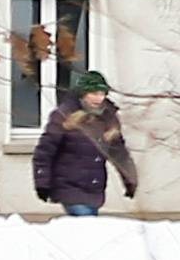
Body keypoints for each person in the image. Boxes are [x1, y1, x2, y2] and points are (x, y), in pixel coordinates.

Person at [30, 69, 138, 218]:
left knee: (85, 231)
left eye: (102, 94)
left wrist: (130, 179)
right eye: (93, 93)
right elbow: (45, 151)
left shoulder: (108, 118)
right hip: (68, 186)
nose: (98, 98)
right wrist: (42, 182)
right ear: (83, 94)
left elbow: (119, 153)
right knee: (85, 223)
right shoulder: (64, 115)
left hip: (94, 187)